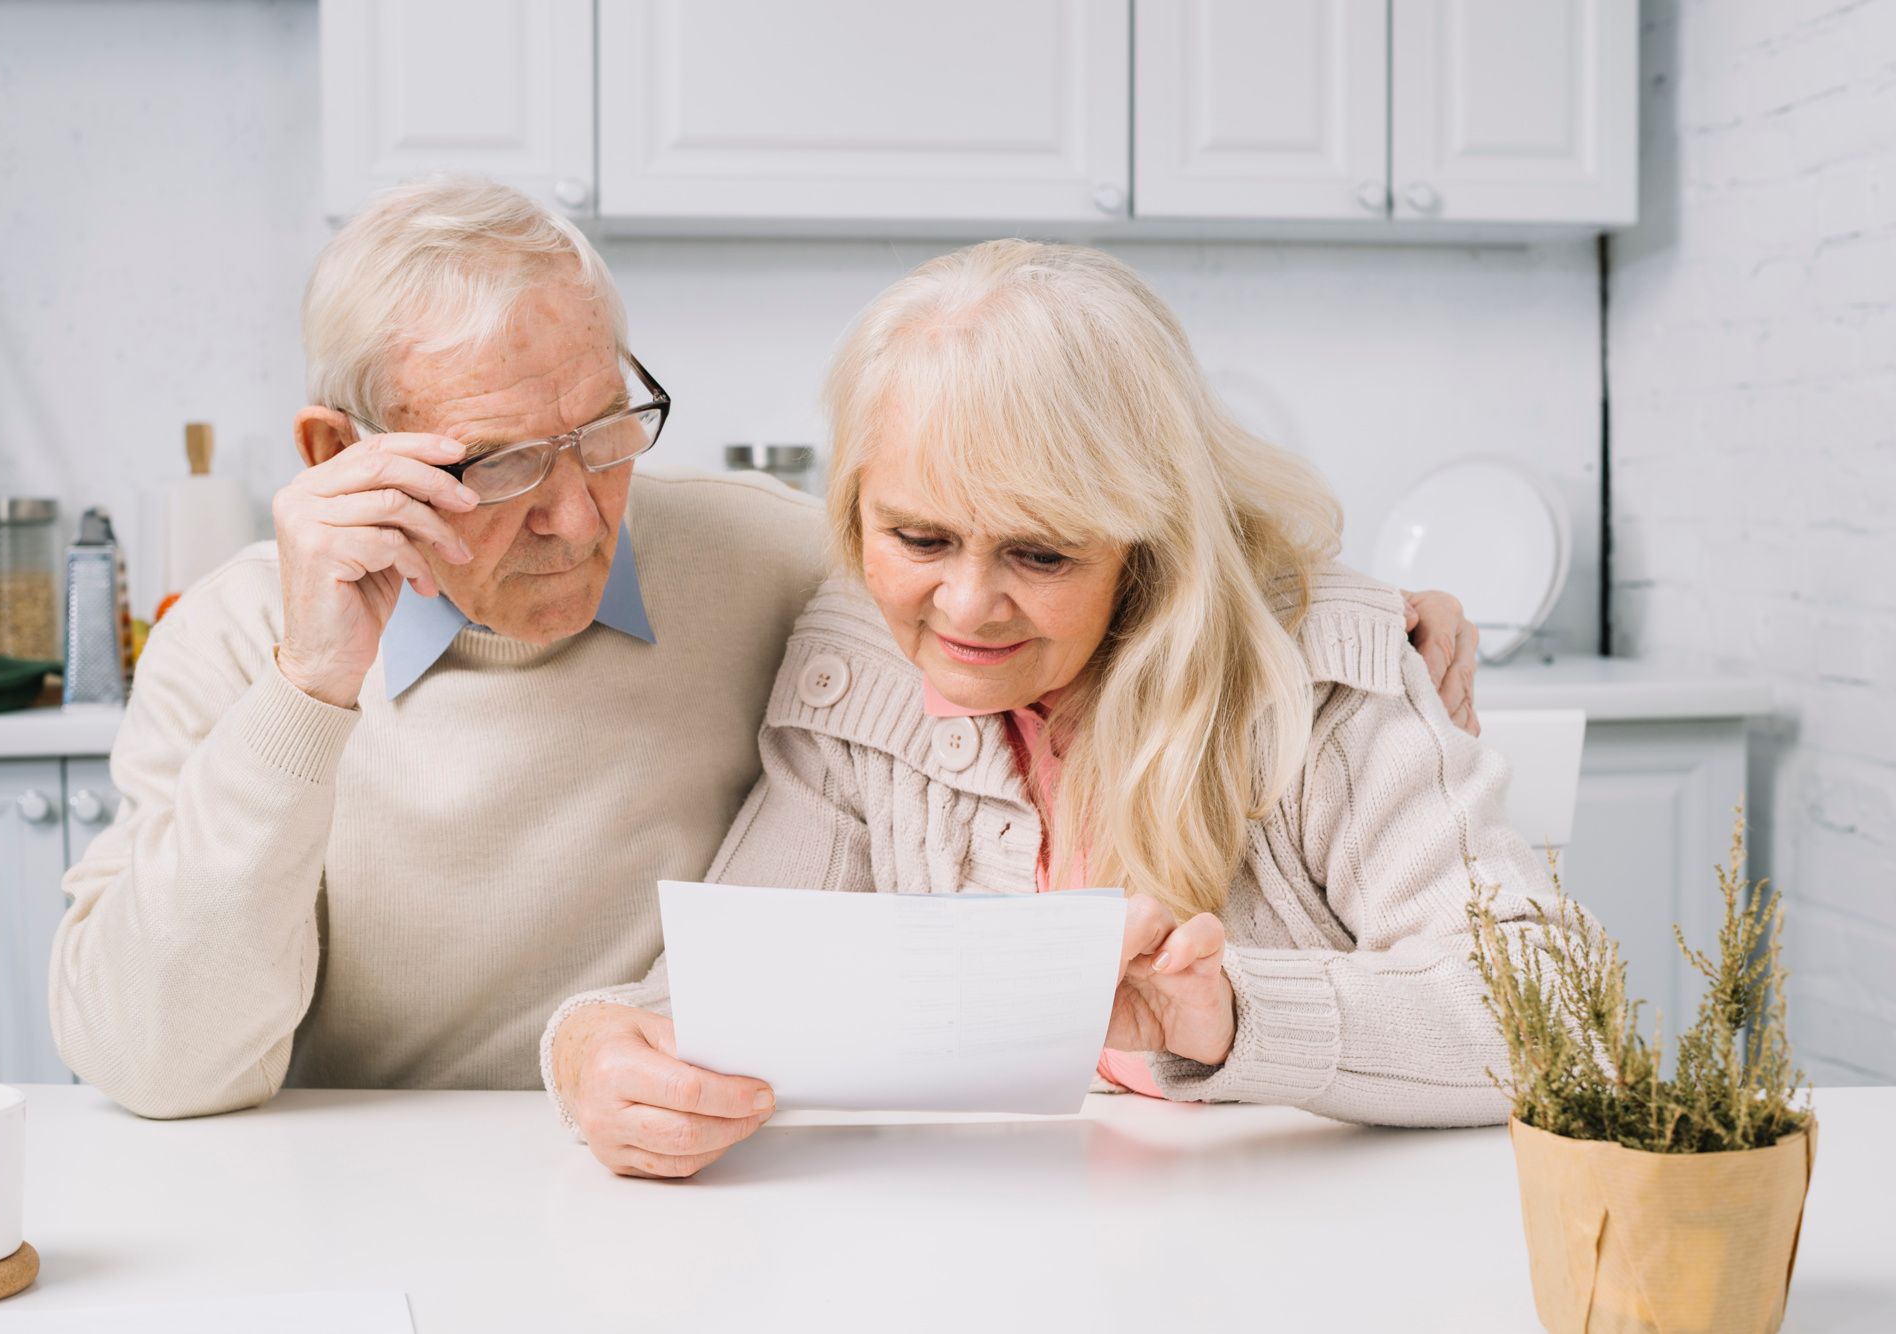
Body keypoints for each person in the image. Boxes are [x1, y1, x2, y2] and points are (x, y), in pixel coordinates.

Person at [51, 177, 1481, 1119]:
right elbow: (154, 1065)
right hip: (380, 1205)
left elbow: (1044, 508)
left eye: (605, 431)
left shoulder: (792, 564)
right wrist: (309, 693)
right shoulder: (236, 644)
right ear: (337, 455)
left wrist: (1332, 619)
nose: (575, 511)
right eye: (495, 464)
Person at [549, 240, 1572, 1179]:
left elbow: (1551, 1015)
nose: (963, 606)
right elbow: (728, 988)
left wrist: (1230, 1014)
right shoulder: (852, 649)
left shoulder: (1320, 676)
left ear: (1148, 541)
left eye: (1039, 553)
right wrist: (588, 1046)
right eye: (916, 537)